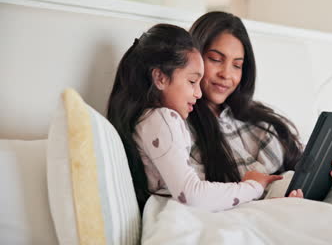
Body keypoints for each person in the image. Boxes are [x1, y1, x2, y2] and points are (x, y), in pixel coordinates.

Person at [107, 24, 284, 212]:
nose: (198, 93)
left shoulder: (149, 121)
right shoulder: (163, 119)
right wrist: (252, 188)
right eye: (192, 81)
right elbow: (191, 194)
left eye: (237, 65)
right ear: (160, 78)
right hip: (182, 215)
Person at [187, 11, 332, 195]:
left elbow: (297, 161)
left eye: (237, 65)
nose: (226, 74)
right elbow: (197, 192)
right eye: (216, 60)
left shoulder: (256, 119)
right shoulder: (180, 126)